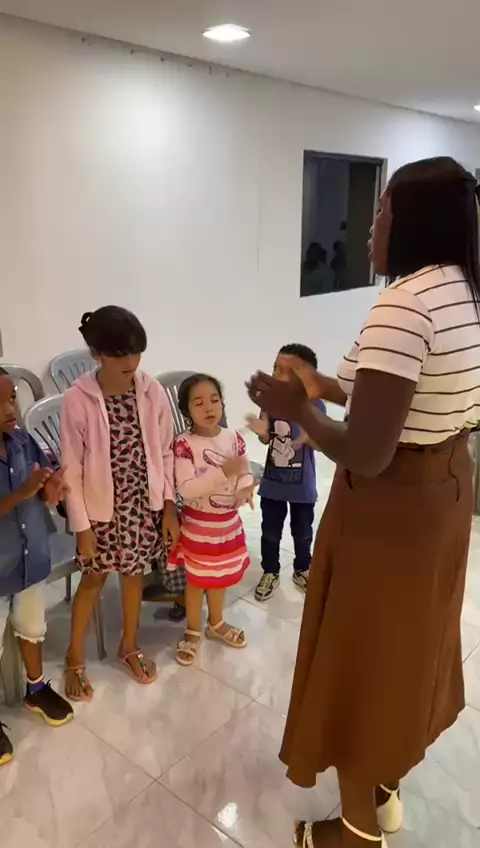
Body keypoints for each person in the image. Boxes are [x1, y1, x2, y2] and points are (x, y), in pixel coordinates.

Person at [247, 157, 480, 847]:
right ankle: (386, 784)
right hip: (445, 490)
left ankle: (356, 833)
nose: (371, 225)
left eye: (381, 210)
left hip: (390, 506)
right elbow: (388, 388)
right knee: (407, 652)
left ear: (413, 221)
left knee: (361, 660)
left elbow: (368, 450)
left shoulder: (405, 303)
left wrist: (297, 409)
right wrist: (319, 384)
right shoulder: (464, 289)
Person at [61, 306, 179, 700]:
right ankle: (74, 657)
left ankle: (129, 645)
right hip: (99, 512)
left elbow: (166, 451)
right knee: (93, 579)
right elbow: (71, 468)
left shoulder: (151, 390)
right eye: (120, 354)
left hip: (142, 505)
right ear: (97, 353)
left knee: (134, 575)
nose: (131, 361)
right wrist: (82, 528)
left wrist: (168, 506)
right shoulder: (78, 399)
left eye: (136, 351)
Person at [0, 367, 73, 766]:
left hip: (30, 555)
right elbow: (21, 492)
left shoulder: (23, 440)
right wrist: (21, 494)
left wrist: (50, 488)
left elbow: (43, 480)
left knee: (32, 626)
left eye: (11, 397)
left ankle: (36, 687)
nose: (10, 408)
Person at [168, 373, 255, 667]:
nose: (209, 407)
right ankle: (193, 630)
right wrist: (223, 472)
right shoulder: (184, 444)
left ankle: (215, 623)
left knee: (220, 578)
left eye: (215, 400)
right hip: (198, 527)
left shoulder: (234, 438)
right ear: (186, 410)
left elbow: (244, 471)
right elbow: (187, 489)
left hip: (227, 525)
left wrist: (245, 487)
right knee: (196, 581)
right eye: (199, 402)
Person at [246, 344, 326, 602]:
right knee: (270, 532)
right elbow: (266, 439)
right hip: (272, 485)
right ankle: (270, 571)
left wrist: (309, 439)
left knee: (303, 532)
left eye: (285, 371)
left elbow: (321, 444)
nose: (276, 375)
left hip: (303, 487)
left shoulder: (315, 405)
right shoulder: (269, 404)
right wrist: (262, 433)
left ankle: (302, 569)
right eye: (275, 368)